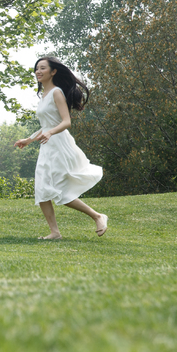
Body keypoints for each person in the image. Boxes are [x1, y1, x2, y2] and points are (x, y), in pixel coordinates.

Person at [14, 56, 108, 239]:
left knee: (59, 189)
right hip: (47, 146)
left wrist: (50, 133)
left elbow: (66, 122)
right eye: (36, 68)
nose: (38, 71)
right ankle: (55, 232)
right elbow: (47, 125)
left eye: (42, 68)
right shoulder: (43, 95)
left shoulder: (56, 92)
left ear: (53, 71)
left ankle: (97, 216)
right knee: (42, 189)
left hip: (59, 145)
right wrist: (28, 140)